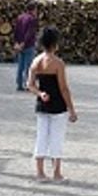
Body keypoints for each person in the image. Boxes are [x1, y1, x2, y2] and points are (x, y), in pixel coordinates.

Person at [27, 26, 78, 182]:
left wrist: (40, 93)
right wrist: (71, 109)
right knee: (57, 138)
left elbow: (29, 84)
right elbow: (63, 88)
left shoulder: (36, 61)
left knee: (41, 137)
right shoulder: (58, 63)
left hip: (42, 105)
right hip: (58, 105)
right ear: (56, 43)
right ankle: (56, 173)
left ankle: (40, 172)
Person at [13, 2, 39, 91]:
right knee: (29, 66)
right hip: (28, 45)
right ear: (33, 10)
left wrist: (16, 42)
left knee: (20, 65)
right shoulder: (32, 19)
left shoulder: (20, 17)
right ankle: (28, 84)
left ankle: (19, 84)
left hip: (19, 44)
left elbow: (16, 30)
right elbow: (30, 32)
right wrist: (24, 43)